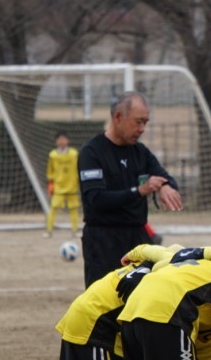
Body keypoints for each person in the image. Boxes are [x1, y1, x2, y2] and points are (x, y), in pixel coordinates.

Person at [77, 91, 183, 287]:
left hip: (139, 239)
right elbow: (96, 199)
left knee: (146, 301)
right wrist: (139, 191)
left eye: (145, 122)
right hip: (103, 240)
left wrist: (166, 186)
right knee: (105, 307)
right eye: (138, 122)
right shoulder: (92, 152)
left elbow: (164, 176)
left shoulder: (140, 152)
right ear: (118, 117)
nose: (142, 128)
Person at [45, 131, 80, 238]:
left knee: (73, 209)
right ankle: (49, 231)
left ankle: (75, 231)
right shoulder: (52, 155)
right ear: (56, 141)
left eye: (64, 139)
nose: (62, 141)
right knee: (53, 208)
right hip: (58, 187)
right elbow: (49, 171)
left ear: (68, 140)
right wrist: (51, 184)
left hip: (72, 186)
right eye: (59, 139)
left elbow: (78, 168)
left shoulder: (74, 154)